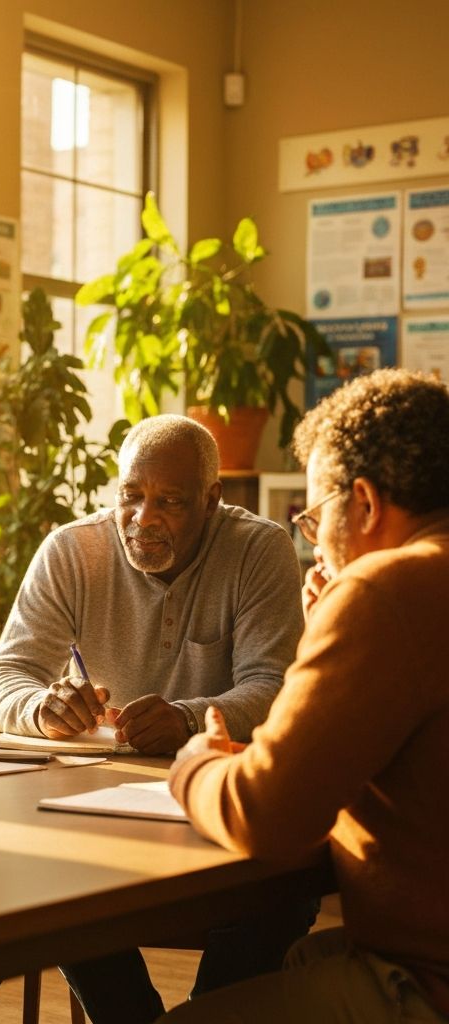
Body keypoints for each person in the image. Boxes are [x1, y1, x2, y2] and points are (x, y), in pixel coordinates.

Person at [0, 413, 313, 1023]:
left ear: (212, 500)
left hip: (215, 805)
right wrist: (41, 707)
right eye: (131, 497)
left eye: (170, 502)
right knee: (58, 881)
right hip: (96, 810)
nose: (142, 518)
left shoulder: (258, 548)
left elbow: (276, 686)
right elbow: (4, 678)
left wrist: (189, 718)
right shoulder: (73, 550)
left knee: (281, 896)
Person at [161, 368, 449, 1024]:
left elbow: (267, 813)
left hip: (428, 984)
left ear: (367, 505)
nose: (312, 543)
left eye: (315, 519)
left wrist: (197, 764)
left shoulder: (388, 588)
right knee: (302, 962)